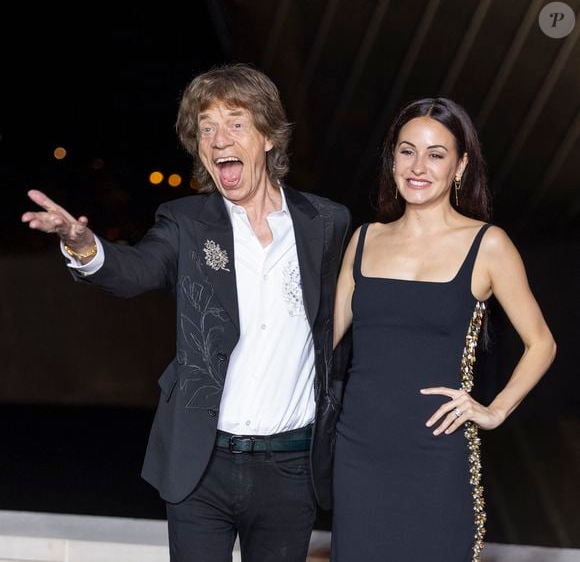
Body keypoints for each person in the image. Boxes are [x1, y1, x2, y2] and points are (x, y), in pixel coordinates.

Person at [21, 63, 351, 562]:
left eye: (236, 123)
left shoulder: (326, 223)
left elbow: (347, 322)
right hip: (202, 466)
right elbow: (132, 272)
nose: (220, 139)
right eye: (206, 128)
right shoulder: (187, 222)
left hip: (290, 468)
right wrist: (84, 245)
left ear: (267, 136)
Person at [330, 97, 556, 561]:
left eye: (435, 154)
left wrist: (494, 410)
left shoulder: (487, 244)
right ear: (392, 158)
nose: (418, 166)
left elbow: (541, 343)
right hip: (358, 454)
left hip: (436, 456)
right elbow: (322, 345)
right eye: (407, 150)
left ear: (460, 166)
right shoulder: (364, 239)